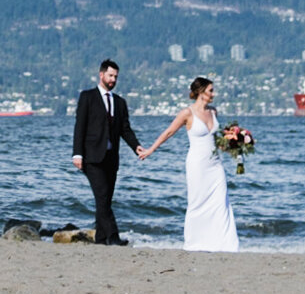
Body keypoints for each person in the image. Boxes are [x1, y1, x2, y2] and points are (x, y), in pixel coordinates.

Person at [143, 75, 238, 252]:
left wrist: (235, 146)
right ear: (201, 92)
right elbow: (169, 132)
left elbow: (217, 140)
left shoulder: (213, 112)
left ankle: (225, 243)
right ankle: (195, 243)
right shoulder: (187, 113)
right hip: (197, 164)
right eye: (210, 90)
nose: (213, 94)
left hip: (216, 165)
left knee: (220, 202)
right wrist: (150, 149)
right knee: (197, 202)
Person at [69, 59, 146, 245]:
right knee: (102, 197)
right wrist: (77, 154)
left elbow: (125, 130)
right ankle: (114, 237)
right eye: (110, 76)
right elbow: (80, 127)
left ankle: (101, 239)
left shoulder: (120, 102)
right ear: (101, 74)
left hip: (112, 159)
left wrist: (136, 146)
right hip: (92, 158)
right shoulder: (87, 97)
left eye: (116, 77)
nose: (113, 80)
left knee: (105, 200)